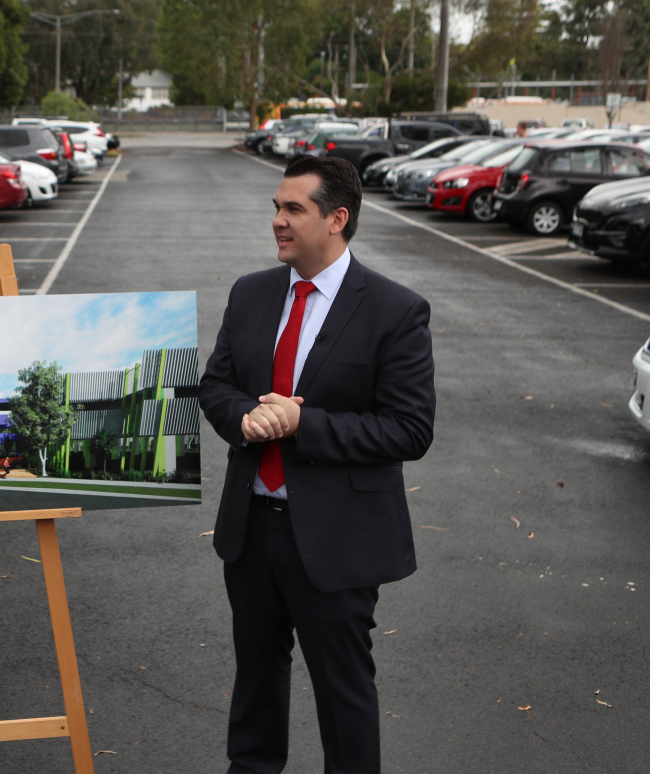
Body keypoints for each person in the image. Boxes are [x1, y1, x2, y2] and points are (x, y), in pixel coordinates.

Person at [198, 155, 435, 774]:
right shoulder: (251, 293)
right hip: (251, 527)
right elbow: (216, 385)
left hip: (337, 539)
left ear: (337, 218)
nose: (277, 220)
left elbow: (409, 429)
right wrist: (245, 418)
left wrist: (306, 423)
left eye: (292, 209)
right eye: (276, 207)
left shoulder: (395, 311)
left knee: (343, 692)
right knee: (256, 680)